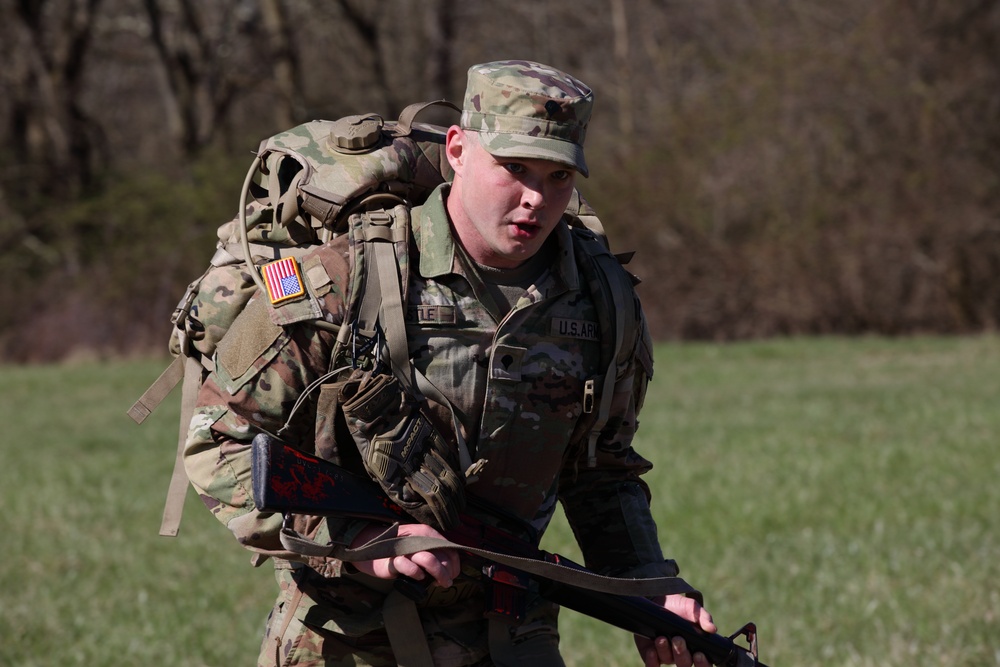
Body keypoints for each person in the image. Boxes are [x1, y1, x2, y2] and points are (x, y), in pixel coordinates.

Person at [184, 59, 716, 667]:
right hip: (346, 638)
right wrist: (364, 541)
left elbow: (602, 473)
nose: (534, 198)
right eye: (512, 168)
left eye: (558, 175)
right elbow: (217, 444)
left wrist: (649, 589)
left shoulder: (603, 305)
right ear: (459, 150)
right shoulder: (342, 278)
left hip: (512, 635)